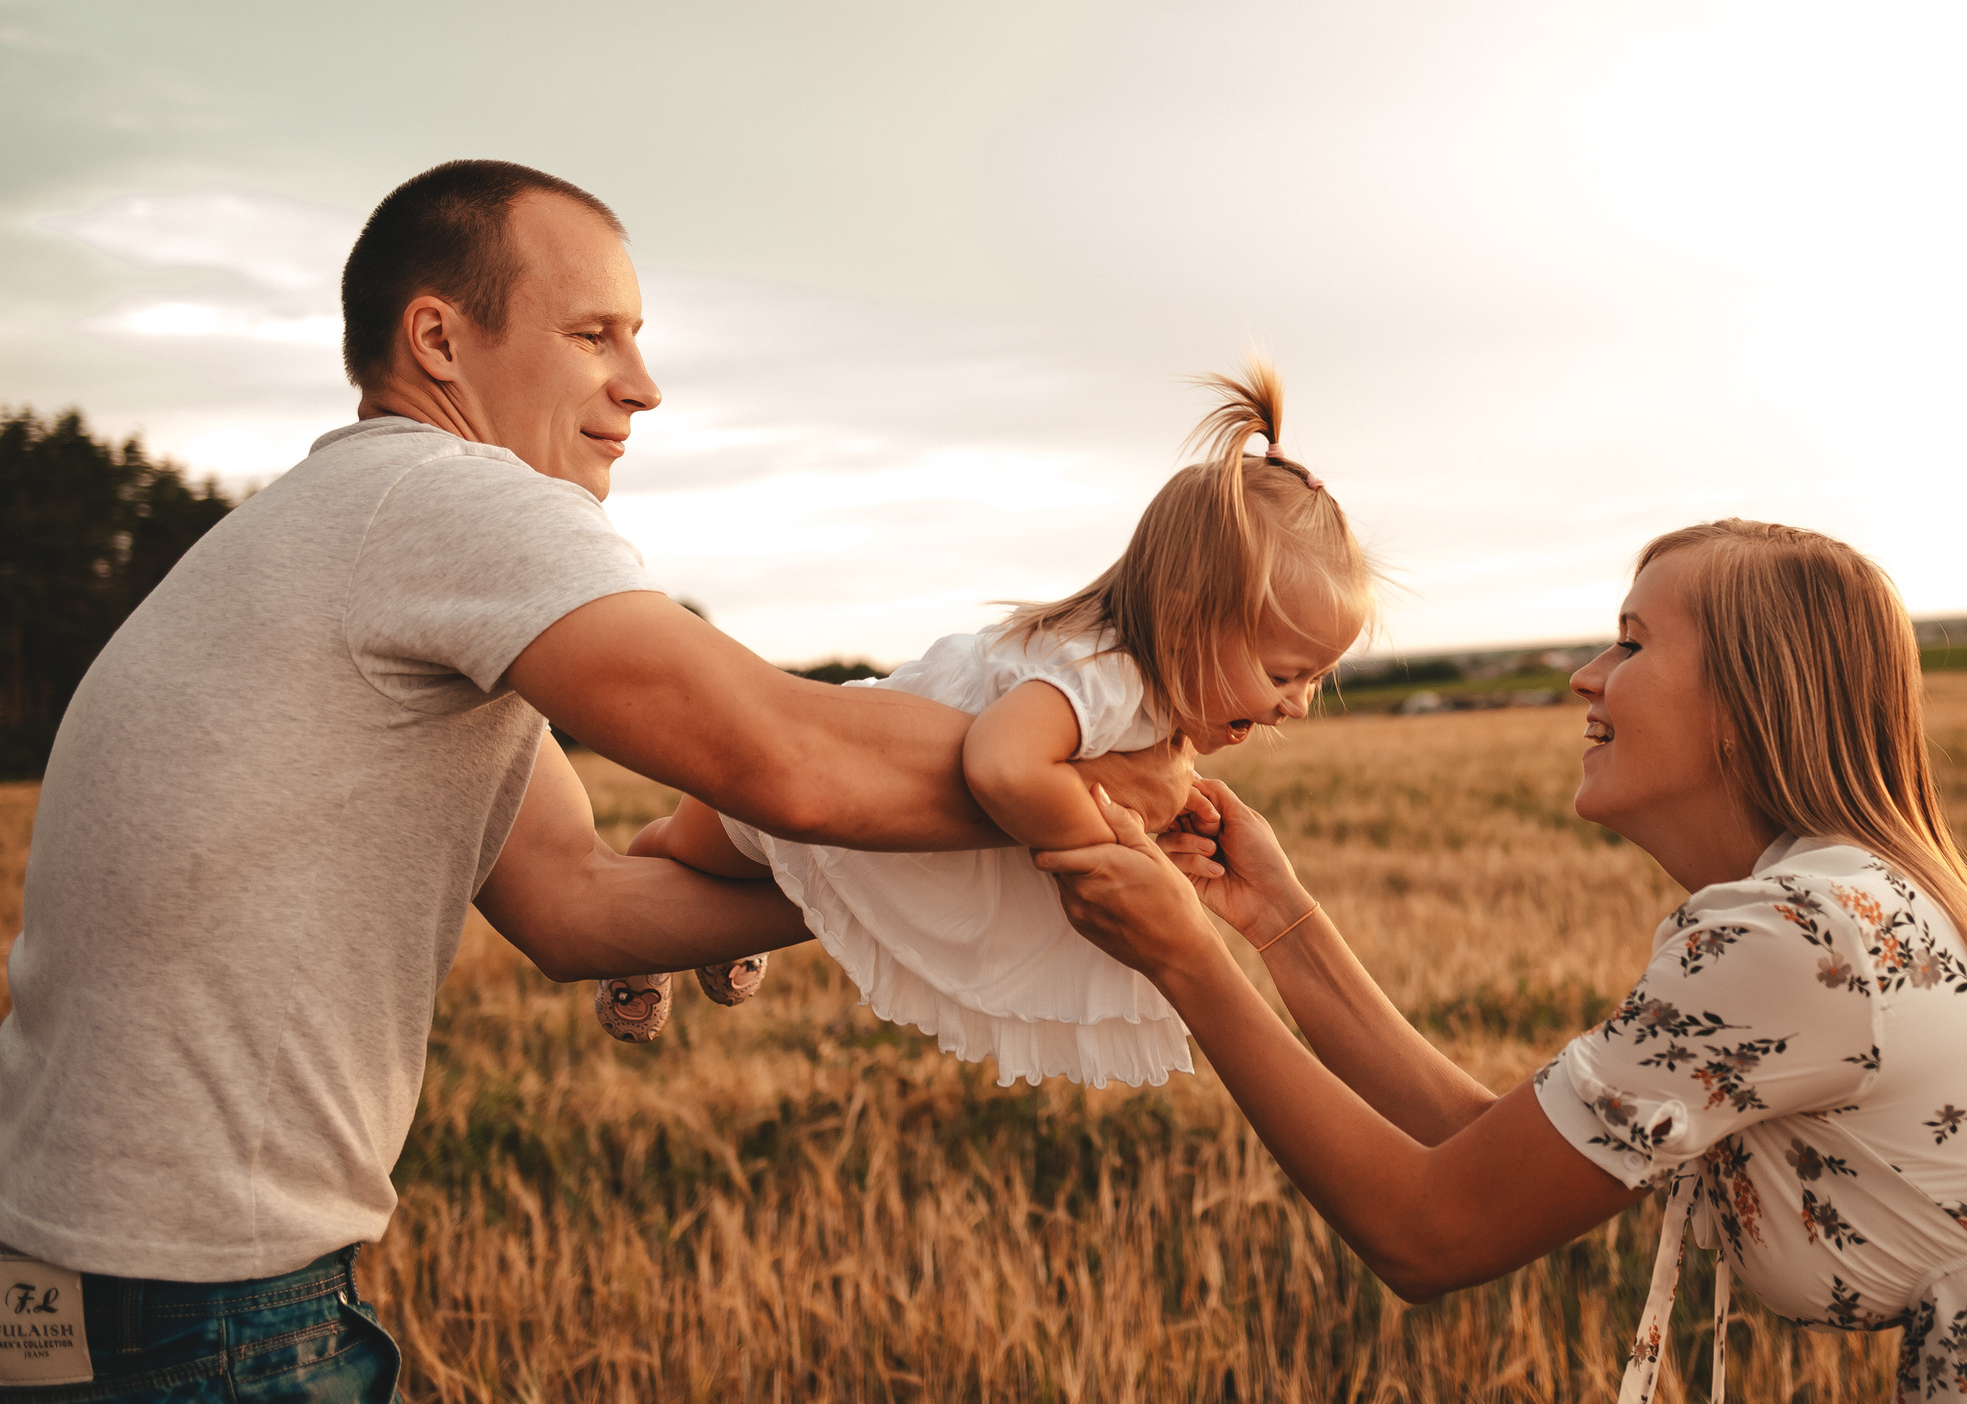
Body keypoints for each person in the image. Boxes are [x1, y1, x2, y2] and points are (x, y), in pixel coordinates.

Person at [0, 160, 1190, 1401]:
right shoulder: (448, 501)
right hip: (212, 1320)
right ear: (439, 340)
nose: (643, 384)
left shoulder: (346, 539)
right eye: (592, 334)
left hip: (75, 1287)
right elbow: (789, 760)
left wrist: (917, 873)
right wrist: (1078, 781)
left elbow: (579, 908)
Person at [1044, 519, 1967, 1403]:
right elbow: (1495, 1153)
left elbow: (1430, 1233)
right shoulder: (1828, 906)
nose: (1581, 680)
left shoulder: (1791, 936)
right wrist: (1280, 928)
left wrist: (1192, 962)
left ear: (1743, 703)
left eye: (1626, 642)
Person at [593, 361, 1375, 1091]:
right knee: (703, 851)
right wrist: (1110, 848)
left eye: (1316, 677)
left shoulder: (1148, 704)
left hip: (891, 822)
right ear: (1187, 618)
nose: (1298, 703)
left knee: (768, 893)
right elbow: (1001, 766)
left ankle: (707, 931)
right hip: (840, 766)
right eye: (1283, 673)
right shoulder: (1102, 675)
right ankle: (643, 883)